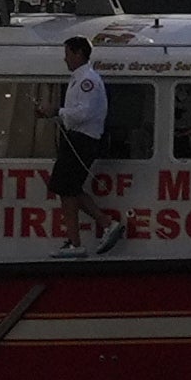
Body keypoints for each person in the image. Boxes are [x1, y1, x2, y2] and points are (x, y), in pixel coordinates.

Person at [49, 27, 120, 250]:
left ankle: (83, 236)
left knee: (67, 187)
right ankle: (85, 233)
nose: (65, 58)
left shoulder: (87, 80)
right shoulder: (78, 79)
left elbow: (84, 113)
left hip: (83, 139)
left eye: (68, 53)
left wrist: (57, 111)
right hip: (76, 137)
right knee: (66, 187)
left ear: (79, 53)